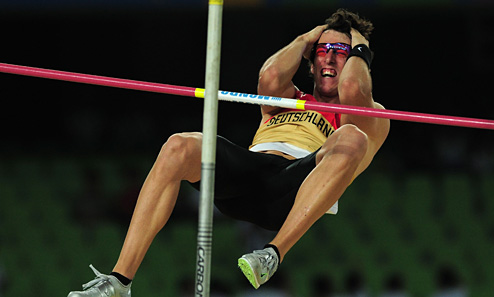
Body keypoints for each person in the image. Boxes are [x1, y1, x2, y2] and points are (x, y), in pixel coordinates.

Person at [67, 8, 389, 297]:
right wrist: (307, 38)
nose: (330, 59)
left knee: (351, 138)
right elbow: (270, 76)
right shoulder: (288, 97)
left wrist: (360, 45)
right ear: (311, 58)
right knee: (178, 145)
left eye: (340, 52)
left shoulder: (367, 117)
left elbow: (353, 90)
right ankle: (119, 282)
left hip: (296, 189)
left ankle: (272, 255)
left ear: (356, 60)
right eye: (323, 51)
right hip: (248, 176)